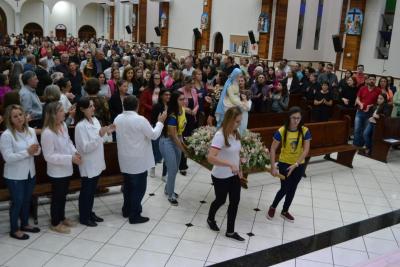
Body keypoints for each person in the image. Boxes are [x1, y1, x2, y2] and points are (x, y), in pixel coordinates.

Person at [114, 95, 167, 224]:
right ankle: (134, 214)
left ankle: (126, 209)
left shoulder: (118, 118)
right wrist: (160, 122)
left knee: (128, 186)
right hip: (138, 159)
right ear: (137, 106)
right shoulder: (140, 120)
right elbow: (154, 135)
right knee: (139, 188)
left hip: (124, 158)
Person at [0, 105, 41, 240]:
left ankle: (24, 224)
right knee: (17, 201)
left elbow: (37, 150)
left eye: (20, 114)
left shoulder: (30, 131)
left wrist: (36, 150)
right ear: (10, 119)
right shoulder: (7, 135)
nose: (19, 118)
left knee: (26, 200)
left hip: (30, 172)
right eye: (15, 116)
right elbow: (8, 157)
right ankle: (14, 229)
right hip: (14, 175)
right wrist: (27, 152)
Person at [41, 102, 82, 234]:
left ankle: (62, 217)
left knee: (63, 195)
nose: (64, 112)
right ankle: (55, 222)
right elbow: (49, 156)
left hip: (66, 168)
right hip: (56, 171)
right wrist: (69, 158)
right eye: (60, 111)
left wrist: (74, 151)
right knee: (57, 197)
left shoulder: (63, 125)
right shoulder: (47, 132)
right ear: (53, 114)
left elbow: (68, 142)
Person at [74, 97, 115, 227]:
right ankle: (83, 216)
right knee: (86, 190)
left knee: (92, 190)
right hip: (87, 162)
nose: (93, 108)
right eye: (90, 106)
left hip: (97, 160)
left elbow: (101, 139)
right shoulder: (80, 126)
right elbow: (85, 148)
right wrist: (100, 135)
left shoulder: (95, 120)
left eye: (93, 106)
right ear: (82, 109)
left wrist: (107, 132)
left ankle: (89, 212)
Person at [206, 106, 245, 241]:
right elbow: (211, 157)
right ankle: (210, 218)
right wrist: (230, 165)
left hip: (234, 175)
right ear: (229, 120)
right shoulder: (220, 136)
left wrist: (239, 168)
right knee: (221, 200)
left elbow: (236, 153)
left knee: (235, 201)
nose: (239, 124)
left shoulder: (236, 132)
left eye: (240, 121)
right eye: (237, 121)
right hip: (221, 176)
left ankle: (230, 231)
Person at [267, 106, 311, 222]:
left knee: (293, 188)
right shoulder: (282, 130)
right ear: (289, 118)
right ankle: (273, 207)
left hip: (298, 164)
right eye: (294, 118)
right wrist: (273, 167)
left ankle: (285, 211)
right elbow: (272, 149)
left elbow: (306, 150)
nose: (296, 121)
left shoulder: (305, 130)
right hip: (284, 163)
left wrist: (296, 164)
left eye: (298, 118)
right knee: (285, 188)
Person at [159, 91, 188, 205]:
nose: (183, 101)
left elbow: (179, 133)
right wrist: (183, 149)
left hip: (176, 140)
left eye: (184, 99)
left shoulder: (183, 110)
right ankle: (170, 195)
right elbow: (172, 134)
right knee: (172, 169)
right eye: (180, 99)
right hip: (167, 141)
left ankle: (167, 189)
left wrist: (183, 145)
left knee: (175, 169)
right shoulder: (171, 114)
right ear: (175, 101)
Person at [354, 75, 381, 148]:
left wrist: (371, 106)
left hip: (370, 113)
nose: (372, 81)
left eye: (373, 79)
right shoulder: (362, 88)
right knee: (357, 129)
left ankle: (363, 146)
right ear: (368, 80)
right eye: (370, 79)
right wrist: (360, 104)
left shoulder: (378, 90)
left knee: (365, 131)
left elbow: (379, 102)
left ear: (375, 81)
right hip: (360, 111)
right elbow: (357, 99)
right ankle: (356, 146)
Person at [150, 89, 170, 180]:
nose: (168, 96)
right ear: (161, 96)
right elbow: (153, 120)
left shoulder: (171, 106)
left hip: (168, 130)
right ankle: (152, 167)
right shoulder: (157, 106)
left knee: (167, 153)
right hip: (158, 129)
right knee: (155, 151)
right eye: (166, 95)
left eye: (169, 95)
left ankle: (164, 174)